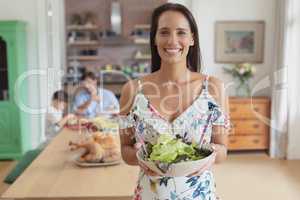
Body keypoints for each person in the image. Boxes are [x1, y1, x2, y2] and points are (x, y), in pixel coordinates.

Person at [118, 3, 230, 199]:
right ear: (154, 38)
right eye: (164, 32)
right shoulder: (132, 90)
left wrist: (209, 153)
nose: (172, 41)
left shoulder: (214, 88)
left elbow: (222, 151)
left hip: (200, 194)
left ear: (192, 38)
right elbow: (126, 150)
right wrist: (138, 156)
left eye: (181, 32)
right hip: (150, 194)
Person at [4, 90, 75, 184]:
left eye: (64, 104)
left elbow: (61, 124)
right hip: (51, 140)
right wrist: (68, 117)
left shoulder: (58, 110)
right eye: (61, 103)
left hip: (56, 138)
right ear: (55, 100)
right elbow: (57, 126)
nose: (62, 106)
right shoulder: (50, 110)